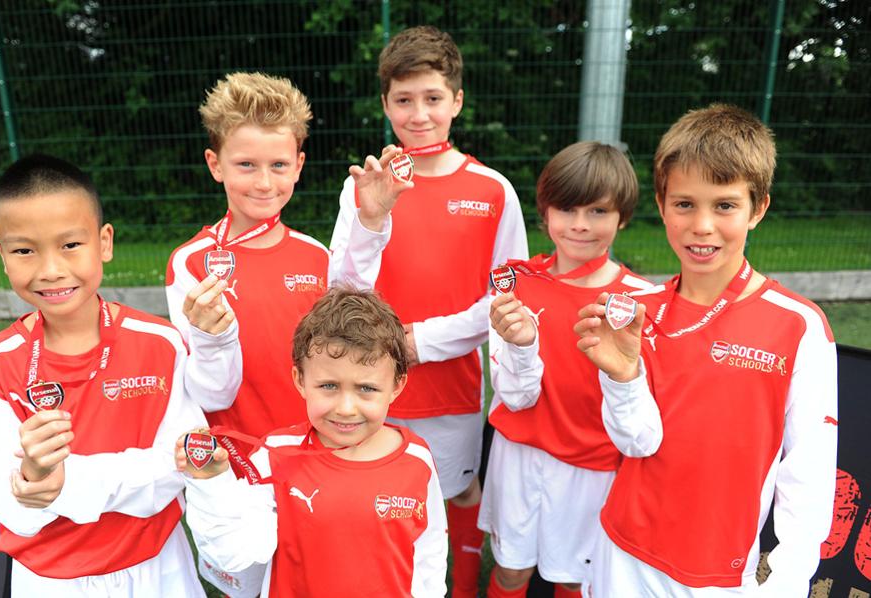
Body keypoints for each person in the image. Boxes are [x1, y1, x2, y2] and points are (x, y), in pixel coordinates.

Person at [574, 104, 837, 596]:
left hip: (717, 572)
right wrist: (622, 376)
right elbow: (636, 443)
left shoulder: (797, 326)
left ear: (758, 209)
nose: (702, 225)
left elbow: (809, 476)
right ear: (661, 205)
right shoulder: (637, 312)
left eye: (724, 206)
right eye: (684, 204)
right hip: (622, 550)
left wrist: (785, 583)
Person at [329, 26, 528, 596]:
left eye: (433, 98)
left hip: (450, 387)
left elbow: (506, 298)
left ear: (457, 101)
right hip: (368, 382)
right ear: (385, 104)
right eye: (404, 100)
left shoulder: (493, 190)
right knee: (376, 493)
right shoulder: (364, 186)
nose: (419, 115)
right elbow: (340, 290)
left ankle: (461, 587)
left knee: (456, 491)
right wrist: (371, 219)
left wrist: (423, 341)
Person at [0, 154, 206, 596]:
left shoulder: (161, 343)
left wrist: (62, 483)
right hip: (50, 580)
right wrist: (33, 484)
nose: (51, 270)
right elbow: (11, 509)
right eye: (24, 250)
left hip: (159, 565)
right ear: (2, 255)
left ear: (104, 241)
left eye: (71, 244)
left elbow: (181, 463)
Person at [177, 286, 448, 597]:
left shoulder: (416, 459)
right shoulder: (276, 456)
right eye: (329, 386)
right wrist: (210, 482)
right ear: (300, 380)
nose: (346, 408)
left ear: (396, 386)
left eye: (367, 389)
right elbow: (237, 550)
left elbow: (429, 552)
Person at [481, 142, 653, 598]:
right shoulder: (514, 282)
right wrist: (522, 346)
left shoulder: (640, 300)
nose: (580, 224)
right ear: (545, 211)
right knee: (511, 571)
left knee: (577, 579)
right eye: (566, 208)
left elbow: (638, 413)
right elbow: (514, 396)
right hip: (518, 456)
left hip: (592, 466)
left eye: (598, 211)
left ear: (622, 217)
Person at [165, 71, 329, 437]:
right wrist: (210, 335)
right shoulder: (191, 262)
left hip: (312, 447)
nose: (264, 183)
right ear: (215, 164)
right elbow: (205, 392)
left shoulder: (317, 257)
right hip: (231, 452)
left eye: (279, 165)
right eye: (246, 165)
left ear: (298, 166)